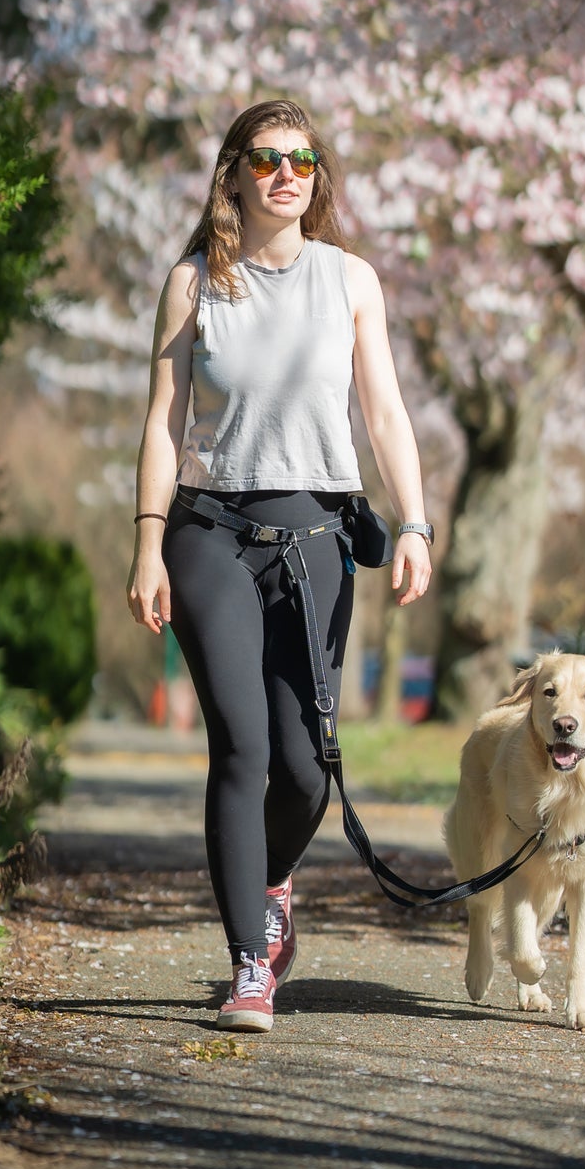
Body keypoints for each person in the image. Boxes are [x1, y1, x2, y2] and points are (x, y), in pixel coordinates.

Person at [126, 99, 433, 1032]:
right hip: (208, 531)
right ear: (235, 173)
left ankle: (272, 883)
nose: (286, 174)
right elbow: (161, 420)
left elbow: (383, 412)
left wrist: (413, 523)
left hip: (314, 541)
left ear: (316, 176)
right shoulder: (192, 284)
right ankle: (249, 961)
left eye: (302, 159)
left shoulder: (350, 280)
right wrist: (147, 540)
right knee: (243, 747)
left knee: (304, 769)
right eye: (266, 159)